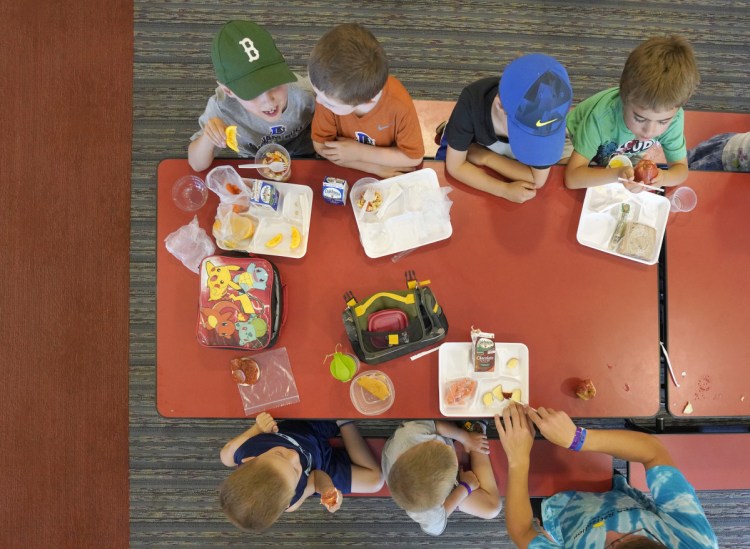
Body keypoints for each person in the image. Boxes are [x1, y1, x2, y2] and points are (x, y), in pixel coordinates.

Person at [495, 403, 718, 548]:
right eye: (629, 537)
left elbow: (522, 531)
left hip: (556, 512)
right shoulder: (696, 542)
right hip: (610, 489)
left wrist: (517, 460)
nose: (610, 533)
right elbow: (654, 452)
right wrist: (577, 438)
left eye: (609, 546)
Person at [565, 35, 700, 192]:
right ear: (624, 99)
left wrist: (662, 177)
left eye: (662, 122)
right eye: (639, 118)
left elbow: (681, 170)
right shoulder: (601, 117)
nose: (649, 131)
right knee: (561, 184)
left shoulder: (674, 118)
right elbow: (572, 178)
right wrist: (617, 175)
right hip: (574, 138)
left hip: (620, 152)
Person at [437, 54, 573, 203]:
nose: (532, 139)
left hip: (479, 150)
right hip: (472, 136)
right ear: (500, 105)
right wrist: (503, 190)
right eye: (524, 132)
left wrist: (486, 157)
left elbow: (537, 179)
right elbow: (455, 166)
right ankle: (454, 129)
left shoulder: (549, 114)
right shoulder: (472, 102)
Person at [219, 413, 383, 532]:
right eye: (296, 470)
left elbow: (226, 455)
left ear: (251, 459)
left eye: (279, 454)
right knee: (375, 481)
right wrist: (327, 489)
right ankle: (345, 421)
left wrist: (258, 428)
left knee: (328, 400)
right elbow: (316, 476)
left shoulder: (243, 451)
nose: (294, 455)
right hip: (321, 464)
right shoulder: (292, 501)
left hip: (307, 429)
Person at [188, 20, 316, 172]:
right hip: (256, 165)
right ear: (229, 91)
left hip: (307, 157)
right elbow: (196, 164)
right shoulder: (222, 110)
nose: (268, 101)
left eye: (275, 83)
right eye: (252, 92)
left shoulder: (305, 93)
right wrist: (209, 138)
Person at [307, 23, 424, 178]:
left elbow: (414, 157)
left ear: (367, 102)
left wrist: (359, 153)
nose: (318, 101)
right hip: (361, 171)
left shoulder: (399, 105)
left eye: (329, 103)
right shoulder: (328, 93)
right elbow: (321, 147)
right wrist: (372, 167)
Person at [381, 420, 502, 536]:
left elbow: (435, 426)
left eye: (439, 445)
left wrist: (465, 437)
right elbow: (437, 523)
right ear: (442, 500)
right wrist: (464, 488)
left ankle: (472, 433)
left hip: (419, 477)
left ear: (399, 456)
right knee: (492, 508)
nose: (450, 448)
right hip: (432, 489)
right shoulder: (425, 512)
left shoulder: (411, 434)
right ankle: (476, 427)